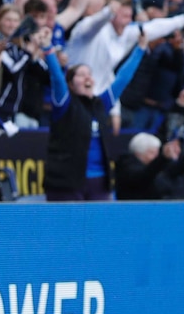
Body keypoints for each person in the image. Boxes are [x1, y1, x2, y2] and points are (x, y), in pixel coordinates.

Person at [42, 28, 148, 201]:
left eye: (89, 74)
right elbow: (57, 79)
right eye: (81, 75)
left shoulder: (101, 104)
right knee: (70, 228)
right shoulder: (65, 104)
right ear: (70, 84)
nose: (87, 78)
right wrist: (48, 50)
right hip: (66, 182)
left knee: (99, 228)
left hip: (99, 182)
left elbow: (122, 79)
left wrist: (140, 49)